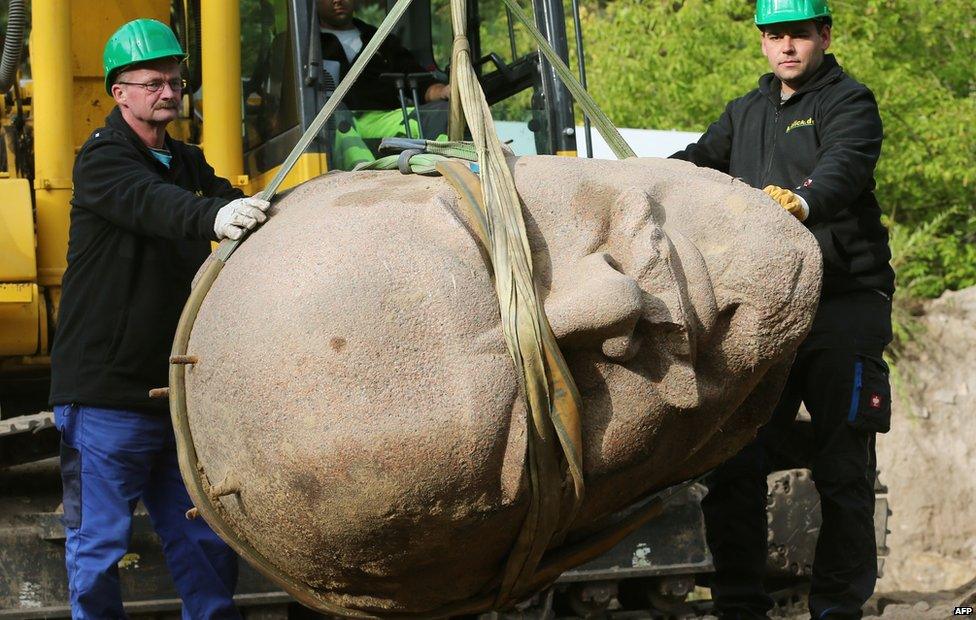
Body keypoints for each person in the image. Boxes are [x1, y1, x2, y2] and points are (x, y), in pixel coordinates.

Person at [670, 1, 895, 618]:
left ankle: (835, 609)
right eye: (774, 36)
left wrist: (801, 203)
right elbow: (694, 166)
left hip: (841, 307)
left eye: (798, 34)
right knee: (734, 464)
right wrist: (628, 179)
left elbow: (844, 168)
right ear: (762, 43)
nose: (786, 47)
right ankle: (740, 607)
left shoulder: (849, 102)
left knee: (843, 471)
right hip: (766, 314)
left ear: (824, 35)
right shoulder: (744, 113)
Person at [48, 18, 270, 619]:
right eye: (152, 82)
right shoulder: (100, 162)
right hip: (105, 397)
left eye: (174, 81)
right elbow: (155, 205)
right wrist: (213, 220)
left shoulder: (187, 162)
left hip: (175, 397)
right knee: (99, 549)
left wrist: (272, 207)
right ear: (119, 93)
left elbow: (228, 203)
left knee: (203, 542)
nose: (167, 91)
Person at [318, 0, 450, 145]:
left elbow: (419, 82)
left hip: (384, 120)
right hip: (330, 126)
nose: (337, 0)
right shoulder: (306, 47)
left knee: (443, 112)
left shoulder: (380, 39)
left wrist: (443, 90)